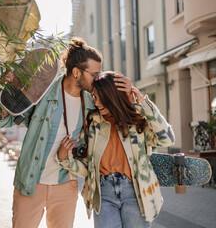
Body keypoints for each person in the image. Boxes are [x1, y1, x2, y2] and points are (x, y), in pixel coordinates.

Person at [0, 38, 132, 228]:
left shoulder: (92, 103)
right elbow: (5, 119)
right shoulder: (42, 90)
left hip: (66, 184)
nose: (97, 78)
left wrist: (130, 93)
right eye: (94, 74)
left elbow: (123, 120)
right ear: (76, 72)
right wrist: (9, 92)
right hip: (31, 182)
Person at [57, 71, 175, 228]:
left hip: (136, 193)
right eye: (94, 97)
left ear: (111, 97)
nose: (96, 102)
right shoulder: (93, 124)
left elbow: (167, 139)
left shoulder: (136, 121)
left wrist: (144, 105)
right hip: (103, 194)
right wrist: (65, 160)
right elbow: (88, 169)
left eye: (99, 98)